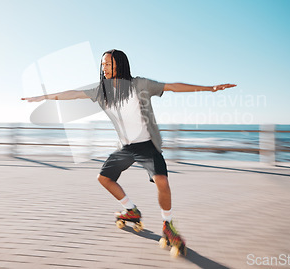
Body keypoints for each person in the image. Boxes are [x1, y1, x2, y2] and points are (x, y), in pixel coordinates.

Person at [22, 49, 236, 254]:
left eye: (108, 63)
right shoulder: (101, 90)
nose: (104, 67)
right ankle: (131, 210)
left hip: (147, 145)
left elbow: (172, 86)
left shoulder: (139, 84)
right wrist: (45, 97)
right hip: (125, 147)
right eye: (103, 64)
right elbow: (74, 94)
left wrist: (209, 88)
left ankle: (168, 225)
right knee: (104, 178)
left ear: (120, 65)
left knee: (162, 181)